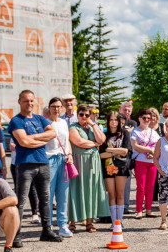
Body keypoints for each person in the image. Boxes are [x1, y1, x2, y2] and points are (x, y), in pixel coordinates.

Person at [7, 90, 61, 244]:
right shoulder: (16, 121)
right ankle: (15, 235)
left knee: (45, 199)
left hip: (43, 162)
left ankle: (47, 231)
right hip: (25, 164)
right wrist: (39, 140)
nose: (29, 104)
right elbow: (23, 142)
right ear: (19, 102)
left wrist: (32, 139)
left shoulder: (39, 118)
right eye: (26, 101)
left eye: (31, 101)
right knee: (21, 201)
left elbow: (53, 134)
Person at [67, 104, 108, 232]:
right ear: (77, 115)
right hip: (79, 161)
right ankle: (72, 222)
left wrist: (93, 124)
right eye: (81, 114)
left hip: (93, 162)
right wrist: (95, 144)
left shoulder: (92, 127)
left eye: (87, 115)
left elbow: (102, 139)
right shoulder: (73, 127)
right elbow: (79, 142)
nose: (84, 117)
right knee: (75, 189)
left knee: (91, 190)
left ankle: (89, 222)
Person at [43, 97, 73, 237]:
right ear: (49, 108)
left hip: (64, 159)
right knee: (48, 193)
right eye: (53, 106)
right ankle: (48, 225)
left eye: (58, 106)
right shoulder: (45, 123)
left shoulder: (64, 123)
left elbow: (67, 141)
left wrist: (70, 154)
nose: (56, 109)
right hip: (50, 159)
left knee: (63, 194)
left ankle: (62, 225)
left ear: (62, 108)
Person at [99, 111, 130, 227]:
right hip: (108, 167)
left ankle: (120, 221)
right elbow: (101, 155)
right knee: (111, 194)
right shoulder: (104, 135)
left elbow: (125, 151)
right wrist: (114, 153)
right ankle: (113, 222)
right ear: (107, 121)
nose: (113, 122)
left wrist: (109, 150)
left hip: (121, 167)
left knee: (120, 194)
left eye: (115, 120)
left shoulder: (124, 133)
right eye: (111, 120)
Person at [130, 108, 160, 218]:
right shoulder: (135, 131)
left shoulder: (154, 132)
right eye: (144, 118)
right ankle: (138, 210)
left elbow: (158, 146)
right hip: (140, 161)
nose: (147, 120)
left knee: (151, 187)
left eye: (149, 118)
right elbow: (135, 146)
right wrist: (149, 150)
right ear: (139, 118)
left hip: (152, 162)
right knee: (141, 187)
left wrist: (153, 153)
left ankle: (148, 209)